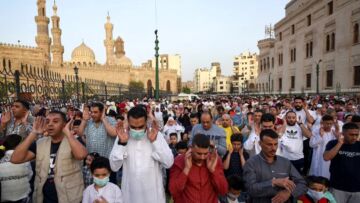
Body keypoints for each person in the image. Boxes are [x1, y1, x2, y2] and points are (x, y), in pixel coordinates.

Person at [11, 111, 88, 203]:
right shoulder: (40, 143)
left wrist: (68, 133)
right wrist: (33, 133)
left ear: (64, 124)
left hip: (70, 196)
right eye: (47, 122)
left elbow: (81, 155)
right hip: (43, 197)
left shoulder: (74, 141)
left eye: (55, 121)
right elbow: (15, 159)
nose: (50, 124)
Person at [109, 105, 174, 203]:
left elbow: (169, 163)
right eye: (133, 127)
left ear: (146, 122)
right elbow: (114, 167)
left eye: (140, 126)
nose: (137, 130)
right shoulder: (123, 136)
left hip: (153, 197)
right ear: (128, 123)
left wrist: (154, 142)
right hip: (130, 196)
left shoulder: (156, 135)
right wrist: (122, 143)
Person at [243, 129, 307, 203]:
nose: (273, 148)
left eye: (276, 144)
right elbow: (250, 189)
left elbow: (302, 184)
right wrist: (273, 182)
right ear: (260, 143)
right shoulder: (251, 163)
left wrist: (289, 193)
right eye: (269, 144)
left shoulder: (285, 162)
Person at [169, 133, 228, 203]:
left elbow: (223, 190)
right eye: (199, 154)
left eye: (205, 154)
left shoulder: (214, 160)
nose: (202, 157)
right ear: (191, 148)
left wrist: (213, 171)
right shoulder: (179, 161)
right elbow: (173, 191)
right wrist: (186, 169)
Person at [323, 122, 360, 203]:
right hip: (338, 187)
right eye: (351, 134)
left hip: (357, 189)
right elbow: (326, 157)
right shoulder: (333, 143)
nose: (354, 137)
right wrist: (340, 143)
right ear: (343, 133)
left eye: (356, 135)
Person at [0, 134, 32, 202]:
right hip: (23, 197)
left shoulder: (1, 159)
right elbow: (30, 176)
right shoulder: (25, 160)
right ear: (18, 145)